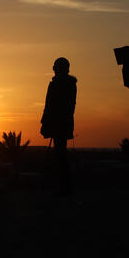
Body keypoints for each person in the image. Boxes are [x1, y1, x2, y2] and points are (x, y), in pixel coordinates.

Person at [40, 57, 77, 195]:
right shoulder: (61, 84)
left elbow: (61, 106)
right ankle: (63, 186)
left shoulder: (65, 84)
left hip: (61, 123)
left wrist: (49, 122)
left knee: (60, 154)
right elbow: (48, 105)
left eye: (56, 67)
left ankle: (64, 187)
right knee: (59, 154)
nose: (54, 69)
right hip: (58, 122)